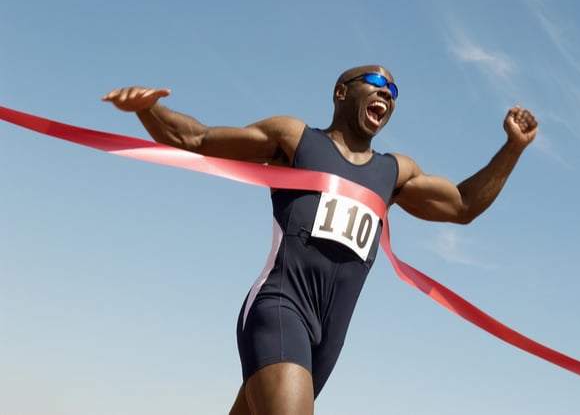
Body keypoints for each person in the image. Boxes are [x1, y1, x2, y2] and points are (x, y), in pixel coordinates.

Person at [102, 65, 538, 415]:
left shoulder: (395, 172)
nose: (387, 92)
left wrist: (512, 150)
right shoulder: (295, 139)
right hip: (280, 307)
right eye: (376, 82)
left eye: (394, 90)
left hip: (327, 339)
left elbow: (461, 205)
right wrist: (147, 110)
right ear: (341, 92)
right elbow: (196, 138)